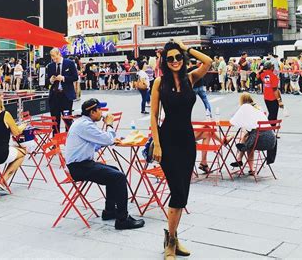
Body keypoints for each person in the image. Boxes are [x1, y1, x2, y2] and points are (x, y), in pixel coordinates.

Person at [150, 39, 212, 259]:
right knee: (176, 192)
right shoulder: (159, 82)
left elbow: (208, 61)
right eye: (170, 59)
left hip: (187, 142)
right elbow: (154, 116)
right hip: (167, 142)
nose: (175, 61)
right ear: (165, 62)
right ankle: (170, 242)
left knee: (182, 194)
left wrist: (187, 48)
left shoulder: (190, 78)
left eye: (178, 57)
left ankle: (173, 239)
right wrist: (156, 144)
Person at [65, 98, 145, 230]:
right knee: (118, 177)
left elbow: (95, 144)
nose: (102, 113)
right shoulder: (85, 125)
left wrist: (111, 141)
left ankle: (109, 211)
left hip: (81, 164)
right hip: (79, 167)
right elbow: (107, 138)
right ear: (92, 112)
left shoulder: (83, 122)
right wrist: (109, 125)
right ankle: (122, 219)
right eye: (100, 110)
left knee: (114, 171)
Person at [226, 93, 276, 173]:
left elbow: (233, 121)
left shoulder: (245, 107)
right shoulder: (258, 108)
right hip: (271, 141)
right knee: (248, 137)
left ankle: (242, 161)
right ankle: (244, 164)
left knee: (249, 142)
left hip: (260, 140)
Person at [46, 48, 79, 133]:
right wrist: (51, 80)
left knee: (67, 119)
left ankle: (69, 139)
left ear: (59, 54)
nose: (53, 59)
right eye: (52, 57)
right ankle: (55, 141)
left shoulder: (70, 63)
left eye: (54, 56)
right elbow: (46, 81)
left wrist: (64, 78)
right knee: (55, 121)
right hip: (54, 96)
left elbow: (75, 77)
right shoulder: (50, 66)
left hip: (66, 96)